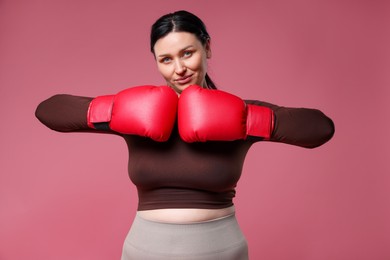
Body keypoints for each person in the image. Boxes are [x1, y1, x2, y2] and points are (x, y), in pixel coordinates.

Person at [35, 10, 334, 260]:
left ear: (208, 48)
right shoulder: (137, 112)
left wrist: (247, 119)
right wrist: (115, 109)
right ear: (156, 62)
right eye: (166, 59)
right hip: (144, 251)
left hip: (221, 250)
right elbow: (48, 111)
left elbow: (321, 128)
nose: (179, 69)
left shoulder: (240, 112)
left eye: (187, 53)